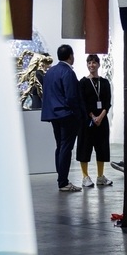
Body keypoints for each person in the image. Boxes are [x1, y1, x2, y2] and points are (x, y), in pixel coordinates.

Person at [41, 44, 83, 192]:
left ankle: (61, 179)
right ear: (71, 56)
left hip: (53, 115)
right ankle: (63, 182)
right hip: (66, 115)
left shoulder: (50, 72)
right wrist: (78, 114)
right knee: (66, 147)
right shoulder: (68, 72)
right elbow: (71, 96)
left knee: (60, 146)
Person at [77, 54, 113, 187]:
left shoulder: (105, 82)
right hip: (87, 121)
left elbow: (107, 102)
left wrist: (101, 116)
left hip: (102, 121)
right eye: (89, 63)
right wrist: (93, 116)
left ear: (98, 64)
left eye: (94, 62)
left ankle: (100, 176)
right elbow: (82, 102)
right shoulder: (82, 83)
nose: (91, 65)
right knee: (84, 148)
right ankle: (85, 176)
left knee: (102, 148)